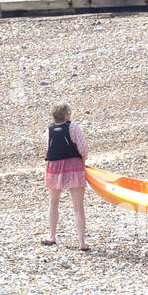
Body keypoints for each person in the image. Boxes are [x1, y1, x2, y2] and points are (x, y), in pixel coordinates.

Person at [43, 102, 90, 251]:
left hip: (54, 168)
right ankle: (81, 243)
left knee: (53, 202)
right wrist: (83, 161)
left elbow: (48, 149)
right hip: (74, 166)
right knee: (78, 207)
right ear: (66, 115)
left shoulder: (48, 131)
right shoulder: (73, 127)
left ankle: (52, 236)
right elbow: (83, 148)